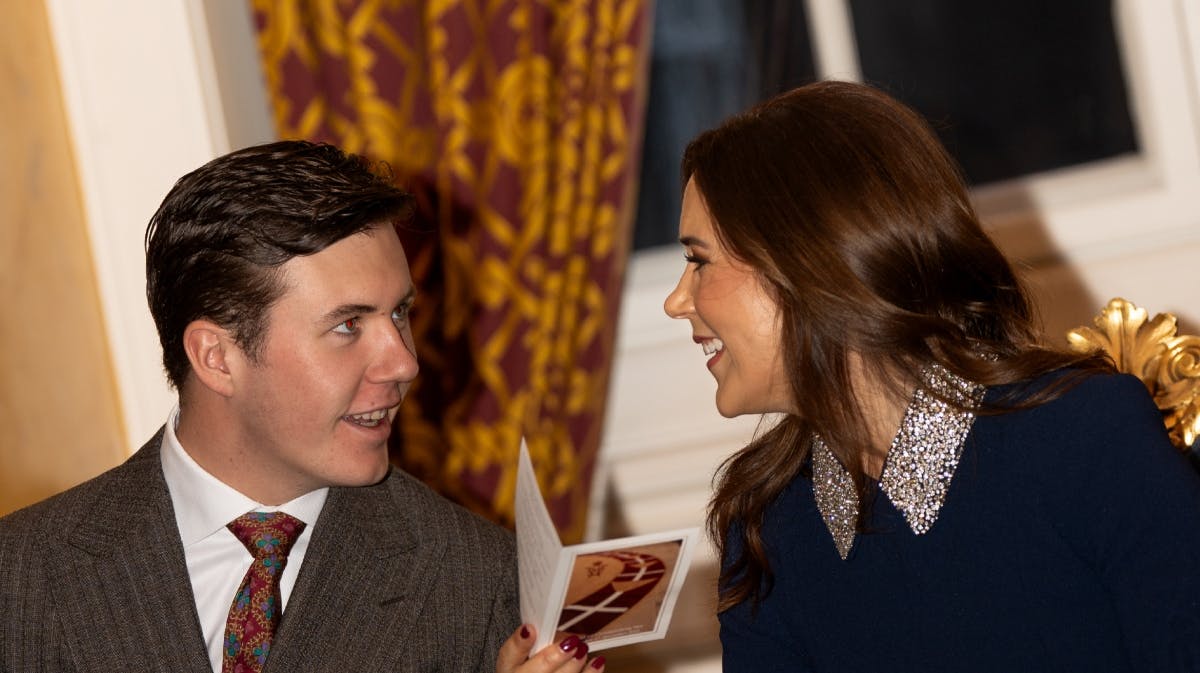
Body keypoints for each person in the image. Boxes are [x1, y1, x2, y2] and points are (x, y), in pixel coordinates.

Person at [0, 140, 604, 673]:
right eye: (348, 325)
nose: (404, 363)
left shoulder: (480, 582)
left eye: (399, 313)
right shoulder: (20, 576)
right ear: (216, 357)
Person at [663, 80, 1200, 672]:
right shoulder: (768, 525)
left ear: (806, 263)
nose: (677, 301)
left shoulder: (1081, 440)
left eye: (699, 261)